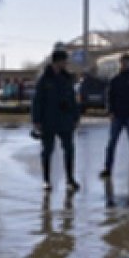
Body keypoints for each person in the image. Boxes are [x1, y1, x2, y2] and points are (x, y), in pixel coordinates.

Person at [32, 48, 82, 192]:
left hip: (65, 120)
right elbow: (37, 101)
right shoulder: (44, 79)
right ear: (57, 61)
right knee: (47, 151)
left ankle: (70, 179)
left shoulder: (67, 78)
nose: (66, 63)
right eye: (64, 61)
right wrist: (36, 120)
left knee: (69, 150)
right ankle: (46, 180)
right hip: (48, 120)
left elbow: (73, 99)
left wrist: (76, 116)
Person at [100, 53, 129, 183]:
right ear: (119, 63)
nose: (124, 64)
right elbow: (109, 96)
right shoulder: (114, 79)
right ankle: (107, 168)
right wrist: (110, 111)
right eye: (122, 62)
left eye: (126, 62)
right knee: (111, 143)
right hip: (117, 115)